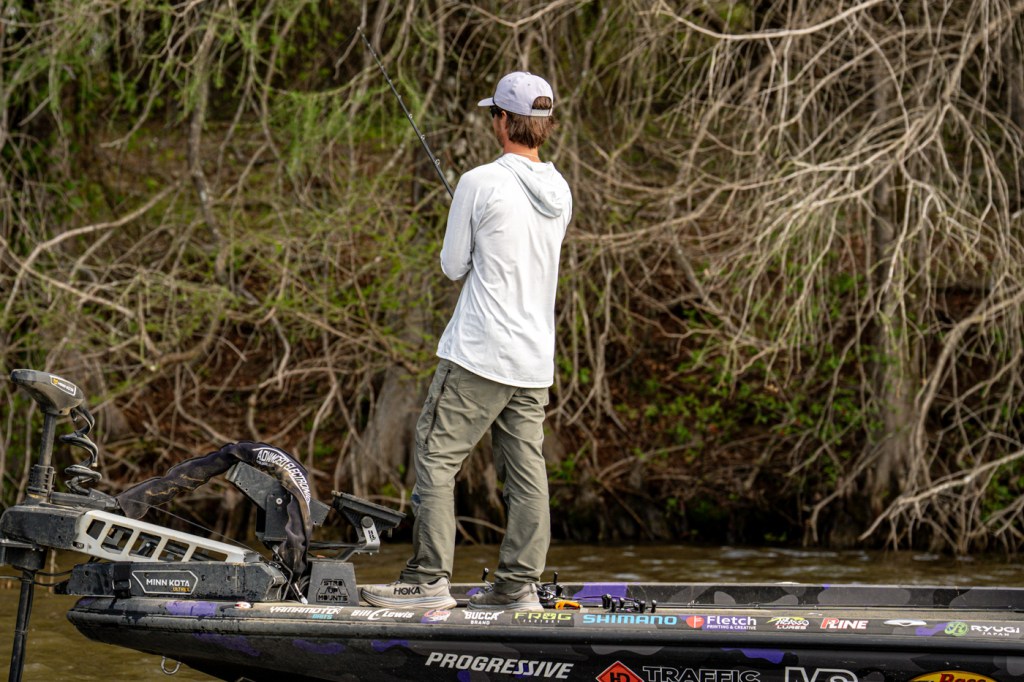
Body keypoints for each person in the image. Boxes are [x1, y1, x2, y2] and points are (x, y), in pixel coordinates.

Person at [361, 71, 572, 612]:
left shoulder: (479, 183)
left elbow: (453, 265)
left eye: (493, 114)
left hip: (480, 353)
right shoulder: (560, 190)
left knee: (436, 457)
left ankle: (427, 580)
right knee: (526, 473)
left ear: (501, 121)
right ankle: (518, 587)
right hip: (533, 360)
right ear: (544, 125)